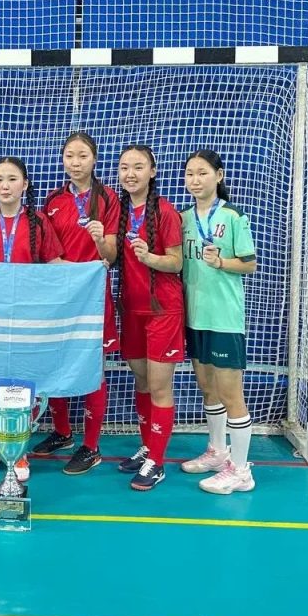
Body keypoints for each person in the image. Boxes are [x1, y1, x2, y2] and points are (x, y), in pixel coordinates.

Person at [0, 156, 64, 480]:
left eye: (12, 179)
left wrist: (90, 270)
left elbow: (55, 265)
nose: (5, 186)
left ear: (25, 184)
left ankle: (18, 450)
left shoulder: (39, 223)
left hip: (27, 320)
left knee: (20, 383)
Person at [34, 132, 119, 474]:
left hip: (94, 295)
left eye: (82, 155)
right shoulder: (53, 200)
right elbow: (45, 250)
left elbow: (111, 256)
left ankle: (91, 446)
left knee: (92, 368)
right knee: (56, 363)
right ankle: (63, 432)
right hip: (59, 296)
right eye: (70, 155)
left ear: (94, 159)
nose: (76, 162)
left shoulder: (108, 198)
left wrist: (99, 242)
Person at [180, 150, 258, 493]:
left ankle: (241, 471)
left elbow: (250, 263)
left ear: (219, 176)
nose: (195, 180)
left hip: (225, 318)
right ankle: (217, 451)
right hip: (195, 316)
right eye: (190, 174)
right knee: (207, 388)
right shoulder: (183, 218)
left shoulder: (233, 216)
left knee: (230, 394)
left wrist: (222, 263)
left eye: (202, 173)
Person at [114, 146, 184, 491]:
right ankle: (147, 448)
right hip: (132, 310)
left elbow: (176, 262)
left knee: (159, 387)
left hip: (163, 311)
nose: (130, 174)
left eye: (138, 167)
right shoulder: (121, 212)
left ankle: (157, 462)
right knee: (141, 383)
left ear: (152, 172)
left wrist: (149, 257)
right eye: (124, 167)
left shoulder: (165, 212)